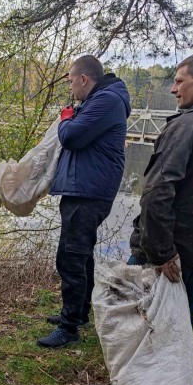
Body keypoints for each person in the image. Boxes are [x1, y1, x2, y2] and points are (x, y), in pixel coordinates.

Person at [89, 51, 193, 385]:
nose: (173, 88)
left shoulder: (186, 127)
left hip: (167, 252)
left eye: (180, 80)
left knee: (143, 323)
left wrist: (161, 251)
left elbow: (157, 191)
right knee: (180, 324)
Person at [37, 55, 131, 348]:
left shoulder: (106, 101)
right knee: (81, 254)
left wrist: (67, 118)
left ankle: (69, 329)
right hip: (85, 189)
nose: (70, 86)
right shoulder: (101, 100)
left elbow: (72, 137)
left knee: (71, 257)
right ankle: (78, 314)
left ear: (83, 79)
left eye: (69, 80)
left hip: (88, 192)